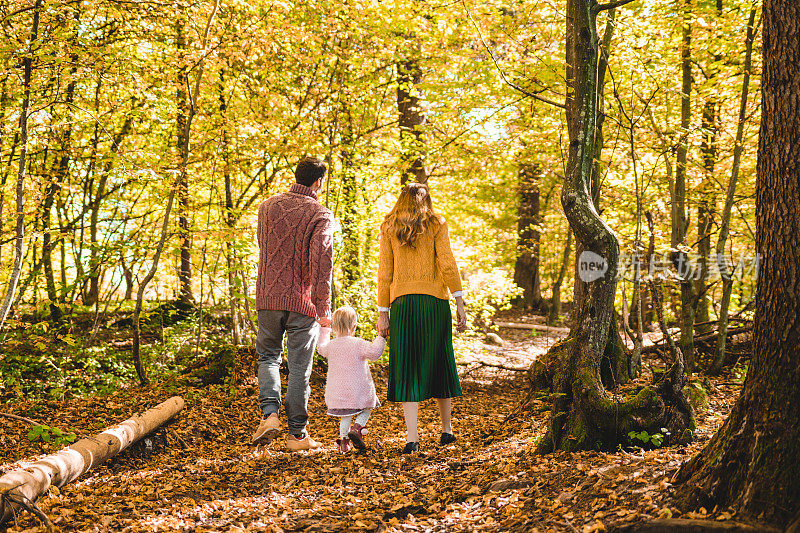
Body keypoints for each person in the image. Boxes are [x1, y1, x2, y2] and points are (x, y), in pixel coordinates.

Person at [377, 182, 467, 454]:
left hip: (402, 304)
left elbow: (384, 270)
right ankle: (447, 431)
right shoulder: (436, 222)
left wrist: (383, 313)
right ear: (426, 199)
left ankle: (412, 438)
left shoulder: (389, 225)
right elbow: (447, 261)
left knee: (408, 366)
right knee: (440, 361)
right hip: (435, 303)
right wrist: (460, 300)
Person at [251, 156, 334, 452]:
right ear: (318, 182)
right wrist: (323, 309)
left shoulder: (268, 206)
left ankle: (269, 415)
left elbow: (265, 248)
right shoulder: (320, 214)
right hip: (303, 303)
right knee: (300, 368)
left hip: (269, 298)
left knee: (268, 357)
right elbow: (321, 265)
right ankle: (297, 435)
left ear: (296, 176)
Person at [317, 306, 386, 452]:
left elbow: (320, 348)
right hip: (358, 389)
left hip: (338, 391)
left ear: (334, 326)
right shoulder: (358, 344)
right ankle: (357, 428)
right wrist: (381, 336)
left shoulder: (331, 345)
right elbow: (375, 353)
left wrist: (324, 329)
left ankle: (344, 443)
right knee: (367, 407)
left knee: (345, 416)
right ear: (354, 326)